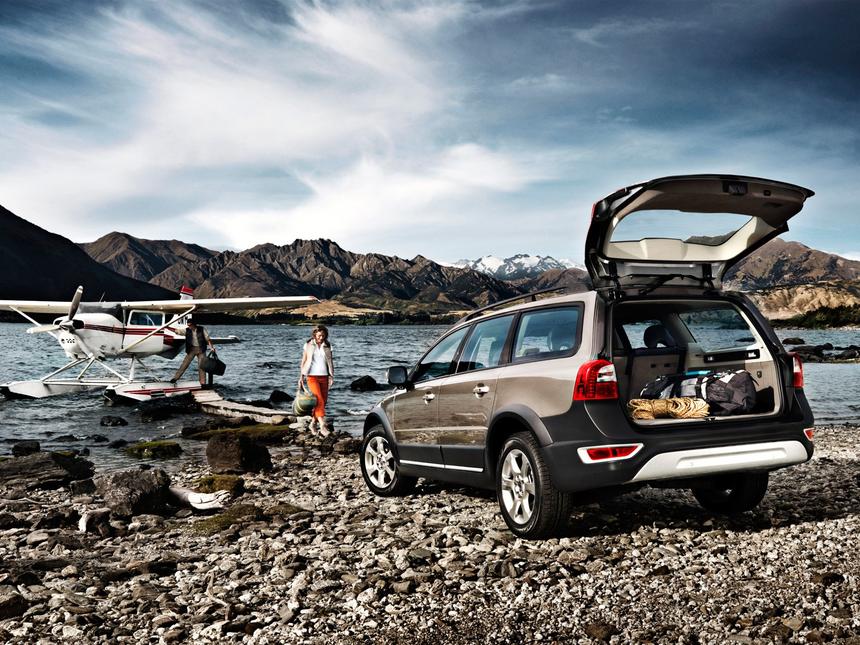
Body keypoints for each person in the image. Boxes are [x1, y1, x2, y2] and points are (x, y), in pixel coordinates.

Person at [299, 325, 334, 435]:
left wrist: (331, 376)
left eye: (323, 335)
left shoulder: (328, 345)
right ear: (314, 335)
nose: (321, 338)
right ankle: (323, 425)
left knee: (323, 401)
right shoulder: (308, 345)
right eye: (319, 335)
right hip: (312, 376)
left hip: (324, 376)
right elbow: (304, 360)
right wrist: (301, 377)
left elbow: (330, 362)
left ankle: (313, 423)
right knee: (319, 400)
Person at [171, 319, 216, 385]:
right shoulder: (187, 330)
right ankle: (175, 378)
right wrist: (171, 329)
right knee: (184, 364)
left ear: (194, 324)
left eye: (190, 325)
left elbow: (208, 339)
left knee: (202, 366)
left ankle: (203, 383)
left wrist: (212, 347)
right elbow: (178, 331)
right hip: (191, 349)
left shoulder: (202, 329)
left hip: (201, 349)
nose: (189, 326)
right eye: (188, 325)